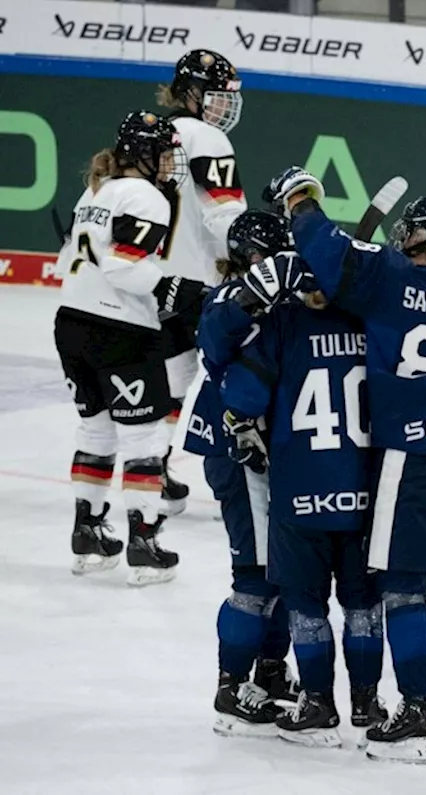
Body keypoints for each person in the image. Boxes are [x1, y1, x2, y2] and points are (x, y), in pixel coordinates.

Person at [264, 167, 426, 763]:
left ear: (416, 239)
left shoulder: (390, 275)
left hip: (410, 459)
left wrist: (301, 198)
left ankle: (414, 716)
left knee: (403, 591)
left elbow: (324, 248)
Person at [219, 240, 386, 748]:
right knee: (363, 604)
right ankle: (366, 700)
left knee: (306, 606)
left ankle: (317, 702)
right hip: (364, 493)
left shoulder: (282, 324)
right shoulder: (372, 323)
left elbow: (242, 396)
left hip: (301, 493)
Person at [54, 110, 205, 586]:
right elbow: (126, 269)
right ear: (141, 154)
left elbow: (67, 260)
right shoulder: (144, 195)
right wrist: (187, 292)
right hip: (118, 331)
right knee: (145, 437)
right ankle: (144, 541)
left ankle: (89, 531)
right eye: (161, 153)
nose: (167, 164)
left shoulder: (97, 188)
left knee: (95, 430)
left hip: (70, 322)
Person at [185, 210, 299, 737]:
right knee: (254, 578)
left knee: (282, 573)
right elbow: (216, 334)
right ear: (256, 259)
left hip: (267, 452)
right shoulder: (228, 299)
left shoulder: (273, 301)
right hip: (236, 455)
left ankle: (271, 674)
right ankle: (230, 687)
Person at [154, 49, 249, 509]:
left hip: (153, 283)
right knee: (238, 377)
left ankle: (152, 469)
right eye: (214, 96)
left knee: (175, 379)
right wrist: (255, 253)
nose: (223, 107)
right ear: (191, 93)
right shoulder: (208, 138)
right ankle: (239, 484)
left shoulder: (152, 133)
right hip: (202, 286)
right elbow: (224, 215)